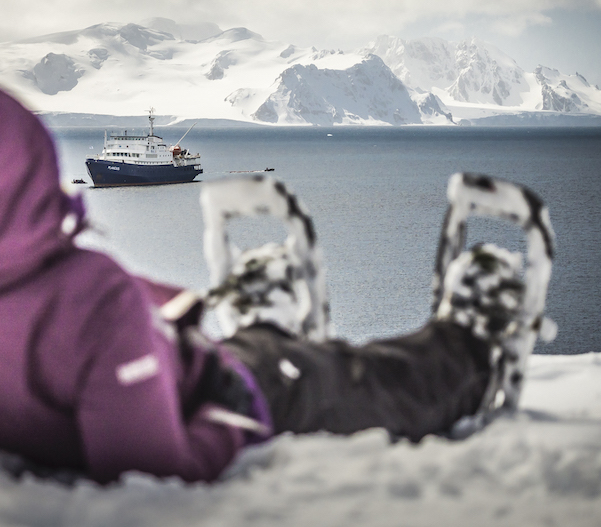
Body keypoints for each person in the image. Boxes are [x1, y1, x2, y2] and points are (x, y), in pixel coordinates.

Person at [0, 89, 556, 485]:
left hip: (182, 365)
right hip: (237, 388)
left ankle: (267, 324)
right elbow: (149, 478)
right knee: (365, 377)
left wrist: (169, 308)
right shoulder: (95, 302)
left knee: (270, 348)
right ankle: (473, 348)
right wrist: (228, 422)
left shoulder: (58, 294)